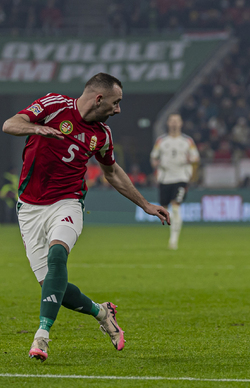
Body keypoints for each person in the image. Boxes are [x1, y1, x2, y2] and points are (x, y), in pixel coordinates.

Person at [2, 73, 170, 362]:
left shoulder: (102, 135)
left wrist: (145, 204)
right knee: (54, 289)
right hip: (29, 207)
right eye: (116, 103)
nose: (118, 109)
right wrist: (36, 130)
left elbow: (112, 172)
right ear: (99, 98)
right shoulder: (54, 105)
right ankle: (102, 312)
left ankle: (41, 337)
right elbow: (10, 124)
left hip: (68, 203)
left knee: (58, 256)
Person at [150, 113, 200, 250]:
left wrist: (191, 161)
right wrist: (156, 165)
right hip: (165, 178)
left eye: (176, 121)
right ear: (168, 123)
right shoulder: (161, 141)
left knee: (176, 206)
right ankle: (171, 234)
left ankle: (173, 240)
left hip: (181, 178)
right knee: (164, 208)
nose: (174, 123)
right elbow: (154, 157)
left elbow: (196, 157)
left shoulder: (187, 141)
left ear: (181, 123)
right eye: (171, 121)